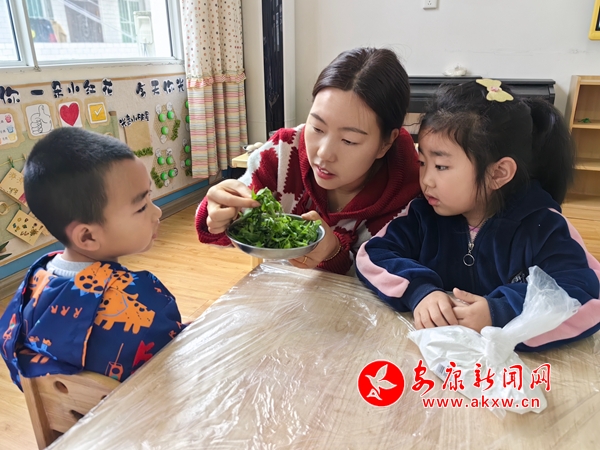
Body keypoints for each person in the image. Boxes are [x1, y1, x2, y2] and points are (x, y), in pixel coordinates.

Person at [356, 79, 600, 351]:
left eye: (441, 166)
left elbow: (585, 297)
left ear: (498, 173)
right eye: (422, 162)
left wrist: (500, 311)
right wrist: (420, 290)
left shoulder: (545, 227)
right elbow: (372, 254)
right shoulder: (423, 215)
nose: (426, 180)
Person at [195, 47, 421, 275]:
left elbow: (390, 280)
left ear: (385, 143)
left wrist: (333, 252)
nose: (324, 153)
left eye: (349, 140)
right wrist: (219, 212)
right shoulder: (282, 152)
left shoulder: (409, 199)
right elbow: (224, 227)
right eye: (317, 128)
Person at [0, 128, 185, 390]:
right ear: (87, 236)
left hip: (74, 416)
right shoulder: (145, 298)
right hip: (135, 411)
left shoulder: (32, 284)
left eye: (150, 196)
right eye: (142, 206)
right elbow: (173, 368)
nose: (158, 213)